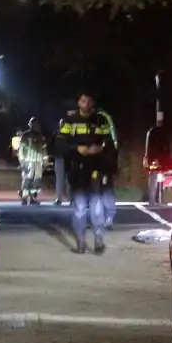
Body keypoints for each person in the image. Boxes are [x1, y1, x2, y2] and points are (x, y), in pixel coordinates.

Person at [56, 92, 116, 255]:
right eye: (83, 100)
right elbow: (59, 143)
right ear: (78, 102)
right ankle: (81, 242)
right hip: (77, 170)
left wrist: (102, 149)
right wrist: (77, 149)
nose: (86, 103)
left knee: (96, 206)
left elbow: (109, 142)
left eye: (89, 100)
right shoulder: (70, 121)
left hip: (96, 168)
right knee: (80, 208)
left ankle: (98, 240)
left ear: (93, 102)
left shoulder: (101, 120)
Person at [96, 107, 119, 229]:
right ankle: (102, 218)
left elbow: (110, 151)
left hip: (104, 167)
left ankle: (108, 218)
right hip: (99, 168)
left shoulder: (106, 140)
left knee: (105, 192)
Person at [17, 117, 48, 205]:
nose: (36, 126)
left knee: (36, 181)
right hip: (28, 162)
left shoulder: (42, 137)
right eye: (34, 124)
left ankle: (33, 198)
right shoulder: (25, 135)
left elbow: (44, 150)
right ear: (30, 125)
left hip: (38, 162)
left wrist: (45, 162)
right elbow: (21, 149)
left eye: (37, 125)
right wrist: (22, 161)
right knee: (27, 180)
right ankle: (24, 198)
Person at [52, 113, 71, 205]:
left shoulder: (70, 134)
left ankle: (70, 199)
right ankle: (59, 198)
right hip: (60, 159)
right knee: (60, 180)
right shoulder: (57, 134)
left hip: (68, 159)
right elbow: (51, 145)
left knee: (69, 180)